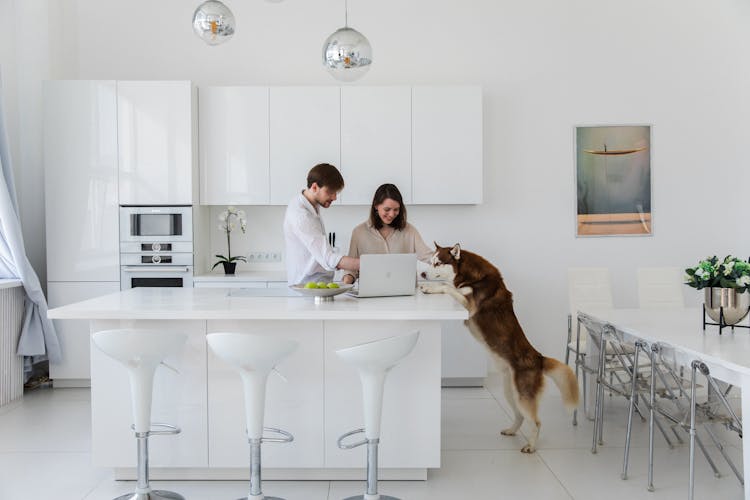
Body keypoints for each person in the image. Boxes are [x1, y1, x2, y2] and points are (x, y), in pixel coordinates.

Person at [283, 163, 359, 285]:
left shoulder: (310, 204)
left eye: (336, 193)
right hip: (307, 288)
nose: (334, 197)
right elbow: (328, 258)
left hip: (316, 285)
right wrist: (366, 264)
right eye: (330, 192)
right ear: (314, 187)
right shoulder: (301, 216)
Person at [342, 183, 432, 284]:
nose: (392, 214)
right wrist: (346, 283)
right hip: (371, 294)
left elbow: (428, 256)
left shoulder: (409, 230)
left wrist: (449, 259)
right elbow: (350, 269)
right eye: (387, 209)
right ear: (376, 206)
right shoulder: (359, 232)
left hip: (405, 295)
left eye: (396, 209)